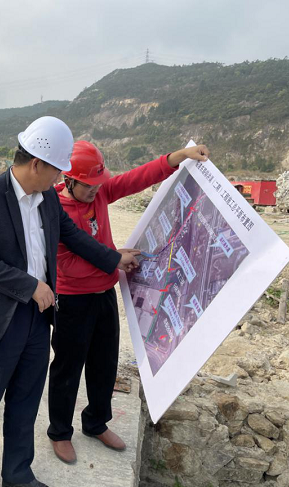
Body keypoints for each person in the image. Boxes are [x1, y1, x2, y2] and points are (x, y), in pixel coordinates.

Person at [0, 116, 139, 487]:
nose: (60, 178)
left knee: (25, 400)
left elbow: (75, 238)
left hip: (37, 319)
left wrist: (113, 259)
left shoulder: (48, 199)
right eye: (57, 170)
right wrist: (30, 286)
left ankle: (18, 474)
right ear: (36, 164)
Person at [46, 141, 210, 464]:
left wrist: (178, 157)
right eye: (88, 186)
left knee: (104, 364)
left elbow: (136, 179)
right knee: (67, 367)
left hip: (104, 296)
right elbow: (67, 264)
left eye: (98, 184)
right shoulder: (55, 210)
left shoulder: (99, 193)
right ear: (69, 180)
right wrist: (114, 259)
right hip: (72, 300)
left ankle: (96, 422)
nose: (96, 190)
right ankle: (60, 432)